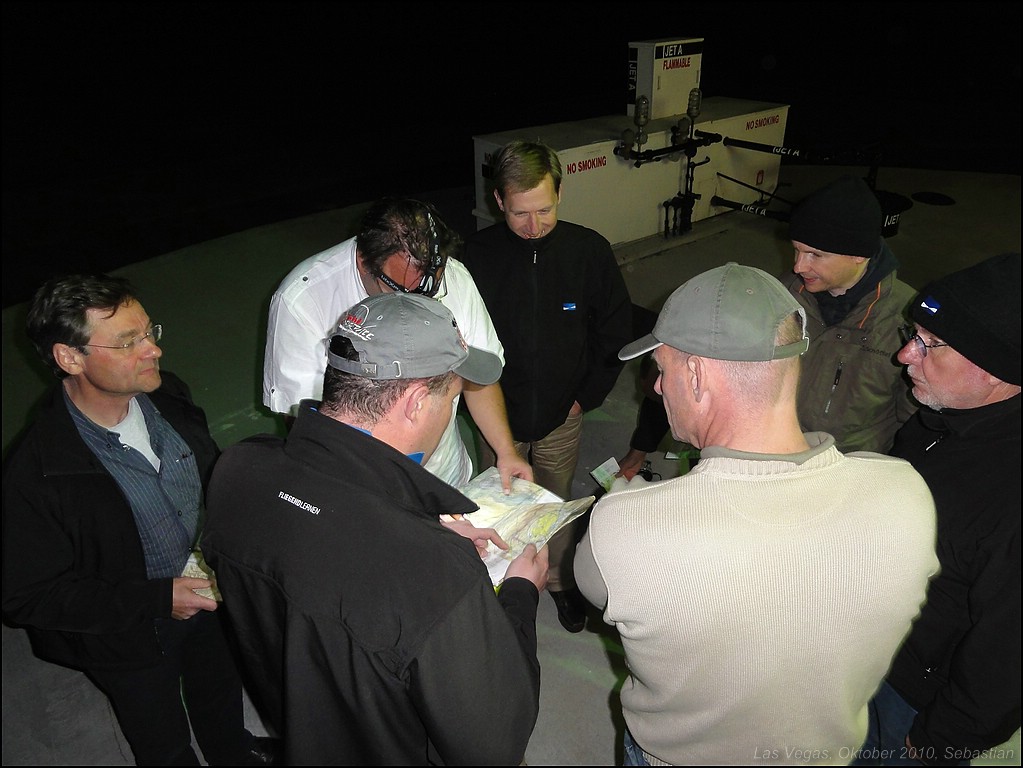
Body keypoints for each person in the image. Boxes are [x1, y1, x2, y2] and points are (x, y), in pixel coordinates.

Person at [574, 262, 939, 765]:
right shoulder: (905, 494)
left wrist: (631, 503)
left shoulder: (621, 526)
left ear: (696, 375)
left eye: (661, 369)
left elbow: (598, 587)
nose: (656, 388)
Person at [202, 292, 549, 765]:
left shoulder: (237, 470)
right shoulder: (435, 572)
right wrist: (521, 594)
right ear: (415, 402)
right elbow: (494, 746)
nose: (451, 412)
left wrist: (418, 525)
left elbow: (323, 547)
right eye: (452, 399)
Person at [1, 274, 275, 766]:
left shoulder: (169, 396)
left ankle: (233, 751)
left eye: (150, 332)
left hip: (209, 597)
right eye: (129, 342)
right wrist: (157, 599)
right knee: (160, 738)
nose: (153, 350)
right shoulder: (36, 474)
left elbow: (209, 476)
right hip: (127, 637)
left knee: (219, 690)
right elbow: (26, 596)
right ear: (70, 358)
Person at [462, 139, 633, 633]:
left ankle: (557, 581)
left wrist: (585, 398)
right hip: (498, 413)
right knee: (501, 504)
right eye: (520, 213)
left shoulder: (589, 251)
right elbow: (461, 340)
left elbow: (613, 331)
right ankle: (503, 578)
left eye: (544, 210)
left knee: (553, 503)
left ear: (560, 193)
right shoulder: (475, 257)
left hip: (564, 413)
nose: (533, 226)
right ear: (499, 200)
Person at [856, 253, 1021, 766]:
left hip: (916, 701)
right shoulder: (939, 420)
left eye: (930, 344)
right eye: (914, 333)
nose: (905, 354)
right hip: (870, 652)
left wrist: (942, 739)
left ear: (996, 370)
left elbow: (1007, 656)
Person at [263, 196, 530, 491]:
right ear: (365, 263)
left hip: (443, 477)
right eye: (406, 292)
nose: (419, 303)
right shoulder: (302, 300)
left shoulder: (451, 277)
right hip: (360, 485)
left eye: (431, 292)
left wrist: (506, 451)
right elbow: (301, 417)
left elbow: (476, 375)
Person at [783, 173, 917, 453]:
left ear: (859, 255)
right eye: (796, 250)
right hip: (779, 448)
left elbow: (916, 420)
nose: (798, 266)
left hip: (850, 465)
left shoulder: (906, 321)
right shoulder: (784, 293)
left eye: (815, 255)